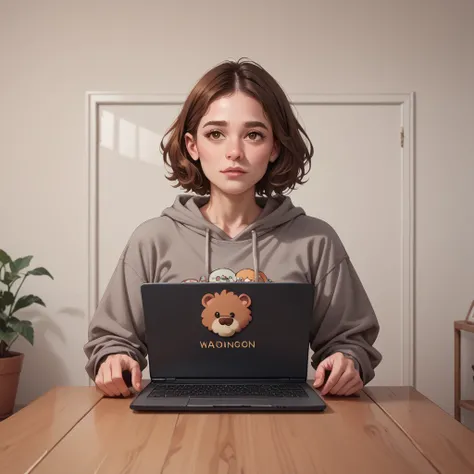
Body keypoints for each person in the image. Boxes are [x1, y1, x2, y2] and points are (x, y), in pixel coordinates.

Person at [84, 58, 382, 398]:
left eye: (254, 134)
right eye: (216, 134)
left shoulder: (315, 240)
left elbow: (350, 340)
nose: (234, 152)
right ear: (193, 146)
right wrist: (113, 358)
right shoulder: (152, 239)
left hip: (289, 428)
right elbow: (110, 340)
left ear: (274, 148)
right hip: (174, 429)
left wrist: (348, 360)